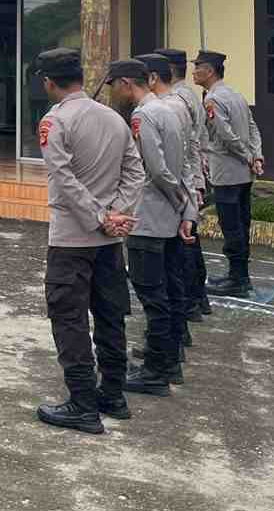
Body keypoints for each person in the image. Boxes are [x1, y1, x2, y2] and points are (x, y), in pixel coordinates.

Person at [35, 47, 144, 435]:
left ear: (48, 81)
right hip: (109, 242)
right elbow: (135, 171)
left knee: (69, 319)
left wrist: (100, 218)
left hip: (72, 240)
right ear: (81, 76)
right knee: (111, 315)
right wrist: (116, 215)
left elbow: (63, 180)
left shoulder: (56, 121)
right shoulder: (113, 118)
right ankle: (113, 393)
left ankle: (82, 403)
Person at [107, 57, 194, 398]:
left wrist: (175, 199)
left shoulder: (143, 115)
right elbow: (184, 163)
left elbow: (155, 170)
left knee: (152, 296)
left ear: (128, 83)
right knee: (170, 294)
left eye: (115, 86)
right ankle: (169, 362)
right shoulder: (168, 109)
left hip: (150, 217)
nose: (115, 93)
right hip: (169, 218)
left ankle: (156, 371)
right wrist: (186, 206)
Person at [194, 51, 263, 298]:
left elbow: (225, 135)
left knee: (231, 226)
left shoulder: (213, 99)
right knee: (241, 224)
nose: (194, 72)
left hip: (227, 171)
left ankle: (238, 279)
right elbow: (253, 128)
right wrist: (256, 155)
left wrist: (248, 155)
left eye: (198, 67)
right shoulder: (235, 94)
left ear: (209, 71)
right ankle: (240, 275)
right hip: (243, 172)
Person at [161, 48, 211, 318]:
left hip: (185, 177)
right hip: (192, 175)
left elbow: (187, 145)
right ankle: (198, 299)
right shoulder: (188, 95)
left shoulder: (176, 98)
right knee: (191, 243)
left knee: (185, 246)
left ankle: (192, 302)